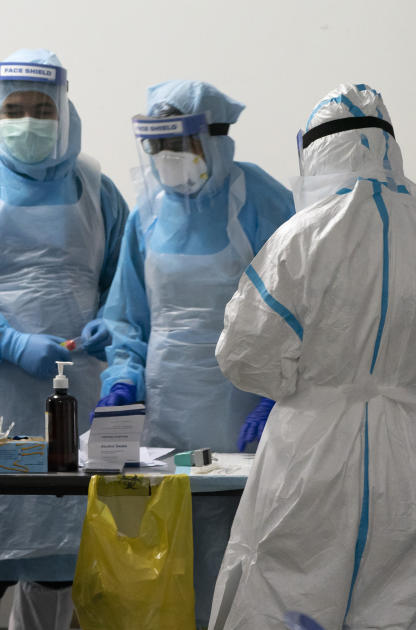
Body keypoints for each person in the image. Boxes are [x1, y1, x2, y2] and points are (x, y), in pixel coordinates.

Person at [0, 49, 129, 630]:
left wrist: (112, 323)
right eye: (14, 108)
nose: (29, 121)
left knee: (62, 561)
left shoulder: (97, 189)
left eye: (42, 108)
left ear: (65, 109)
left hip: (76, 402)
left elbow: (125, 283)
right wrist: (8, 342)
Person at [210, 84, 416, 628]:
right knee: (399, 600)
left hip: (312, 456)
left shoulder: (301, 236)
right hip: (409, 450)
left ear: (314, 149)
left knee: (286, 589)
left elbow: (244, 357)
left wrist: (302, 386)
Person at [95, 80, 295, 624]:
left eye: (181, 145)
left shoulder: (263, 202)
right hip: (165, 414)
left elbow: (298, 311)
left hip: (240, 412)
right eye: (159, 149)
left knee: (235, 560)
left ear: (218, 138)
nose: (170, 160)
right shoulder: (147, 215)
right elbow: (128, 319)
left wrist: (279, 396)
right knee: (162, 570)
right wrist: (122, 380)